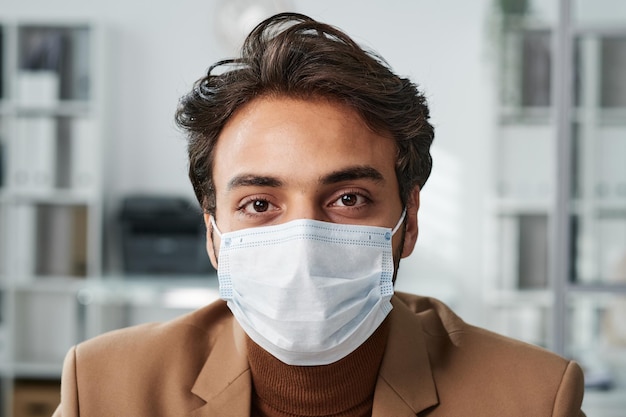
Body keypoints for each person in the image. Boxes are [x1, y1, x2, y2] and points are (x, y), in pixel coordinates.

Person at [52, 12, 585, 417]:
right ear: (213, 233)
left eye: (348, 199)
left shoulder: (534, 398)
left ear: (410, 218)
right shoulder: (103, 389)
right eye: (259, 204)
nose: (303, 242)